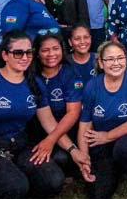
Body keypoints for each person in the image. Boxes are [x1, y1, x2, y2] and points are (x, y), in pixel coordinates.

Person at [0, 31, 88, 198]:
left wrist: (73, 150)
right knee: (16, 187)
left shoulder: (35, 83)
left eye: (29, 52)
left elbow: (49, 123)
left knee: (53, 180)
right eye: (18, 53)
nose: (25, 57)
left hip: (19, 147)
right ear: (5, 55)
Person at [78, 41, 127, 199]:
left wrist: (107, 136)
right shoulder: (92, 86)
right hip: (103, 142)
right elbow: (85, 124)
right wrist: (84, 158)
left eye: (120, 58)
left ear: (126, 60)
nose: (116, 63)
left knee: (124, 149)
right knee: (97, 194)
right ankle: (118, 166)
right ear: (101, 62)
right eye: (110, 59)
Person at [30, 33, 84, 172]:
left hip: (65, 128)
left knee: (62, 158)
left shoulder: (70, 73)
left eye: (55, 48)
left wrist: (51, 140)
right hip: (38, 129)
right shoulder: (31, 75)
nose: (51, 54)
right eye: (45, 50)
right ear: (37, 53)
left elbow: (73, 112)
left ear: (62, 50)